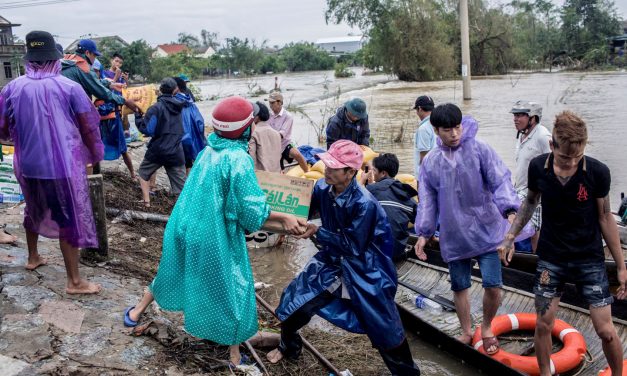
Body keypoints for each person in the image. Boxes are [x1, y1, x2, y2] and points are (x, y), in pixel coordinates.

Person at [123, 96, 306, 366]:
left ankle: (136, 311)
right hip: (213, 235)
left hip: (183, 224)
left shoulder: (208, 151)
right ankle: (233, 355)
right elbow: (250, 212)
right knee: (233, 288)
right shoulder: (238, 160)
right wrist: (284, 218)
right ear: (246, 129)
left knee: (172, 270)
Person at [267, 140, 420, 375]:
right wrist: (284, 213)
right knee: (294, 301)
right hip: (331, 260)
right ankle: (289, 347)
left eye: (333, 167)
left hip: (366, 269)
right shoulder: (321, 188)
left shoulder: (364, 203)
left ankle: (407, 372)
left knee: (385, 327)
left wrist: (318, 231)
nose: (326, 170)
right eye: (326, 165)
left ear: (350, 172)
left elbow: (354, 246)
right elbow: (302, 208)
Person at [498, 111, 627, 376]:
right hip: (551, 258)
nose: (570, 163)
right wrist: (509, 237)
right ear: (551, 145)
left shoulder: (598, 172)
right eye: (565, 157)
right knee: (544, 324)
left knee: (606, 330)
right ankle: (546, 373)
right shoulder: (538, 167)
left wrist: (621, 266)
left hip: (589, 258)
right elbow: (530, 202)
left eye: (576, 157)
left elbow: (605, 217)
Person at [414, 103, 524, 355]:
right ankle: (466, 330)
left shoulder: (480, 149)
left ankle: (486, 328)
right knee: (459, 285)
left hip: (488, 230)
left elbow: (500, 180)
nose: (454, 134)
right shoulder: (431, 162)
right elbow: (427, 201)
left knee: (493, 285)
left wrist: (509, 211)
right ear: (435, 129)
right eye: (447, 129)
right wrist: (424, 232)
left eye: (457, 127)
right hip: (454, 233)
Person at [0, 30, 104, 294]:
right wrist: (92, 154)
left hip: (28, 164)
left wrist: (21, 138)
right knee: (67, 217)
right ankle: (75, 282)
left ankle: (33, 257)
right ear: (55, 58)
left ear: (29, 58)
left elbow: (2, 128)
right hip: (61, 166)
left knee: (33, 208)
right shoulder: (69, 87)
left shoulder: (12, 87)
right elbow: (89, 126)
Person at [135, 78, 186, 207]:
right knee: (180, 187)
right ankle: (181, 210)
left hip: (158, 150)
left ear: (160, 91)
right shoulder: (180, 106)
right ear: (175, 90)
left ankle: (146, 201)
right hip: (176, 150)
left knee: (143, 173)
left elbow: (147, 130)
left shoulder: (155, 108)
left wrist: (138, 117)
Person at [510, 101, 551, 252]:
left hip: (536, 191)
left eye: (520, 115)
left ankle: (536, 258)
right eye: (515, 115)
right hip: (520, 188)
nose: (515, 119)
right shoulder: (521, 136)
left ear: (532, 118)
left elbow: (554, 163)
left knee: (534, 227)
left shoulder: (543, 136)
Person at [361, 153, 417, 261]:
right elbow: (422, 222)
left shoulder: (369, 191)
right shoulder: (406, 194)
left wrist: (363, 181)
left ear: (383, 173)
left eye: (374, 171)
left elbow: (349, 203)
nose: (372, 173)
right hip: (397, 252)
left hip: (374, 253)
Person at [96, 53, 136, 178]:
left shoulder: (120, 77)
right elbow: (105, 91)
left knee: (122, 145)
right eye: (116, 61)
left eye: (120, 62)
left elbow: (124, 94)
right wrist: (115, 78)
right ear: (111, 61)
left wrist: (125, 80)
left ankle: (133, 174)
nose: (118, 64)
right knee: (97, 143)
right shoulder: (103, 75)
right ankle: (96, 173)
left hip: (115, 113)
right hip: (101, 113)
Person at [265, 91, 309, 172]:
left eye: (272, 102)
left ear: (279, 103)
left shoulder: (288, 116)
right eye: (269, 102)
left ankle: (307, 172)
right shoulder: (268, 115)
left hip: (284, 144)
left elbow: (282, 134)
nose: (270, 105)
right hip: (272, 146)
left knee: (297, 154)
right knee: (277, 168)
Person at [173, 76, 206, 174]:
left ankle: (153, 186)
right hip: (189, 138)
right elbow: (200, 122)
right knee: (188, 163)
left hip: (176, 140)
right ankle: (189, 187)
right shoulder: (190, 102)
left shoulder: (170, 102)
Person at [249, 101, 282, 172]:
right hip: (276, 176)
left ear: (257, 117)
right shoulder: (276, 133)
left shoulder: (254, 133)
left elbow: (252, 159)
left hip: (262, 178)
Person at [413, 95, 436, 178]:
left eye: (416, 110)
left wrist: (422, 180)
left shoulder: (423, 128)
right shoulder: (439, 123)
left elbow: (424, 157)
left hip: (426, 175)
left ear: (419, 109)